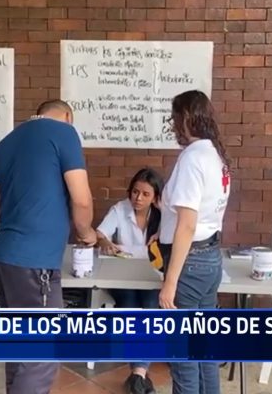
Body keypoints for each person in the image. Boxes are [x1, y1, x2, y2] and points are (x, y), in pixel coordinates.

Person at [0, 99, 96, 394]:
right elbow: (82, 199)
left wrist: (19, 224)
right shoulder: (64, 133)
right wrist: (86, 232)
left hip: (4, 258)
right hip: (35, 263)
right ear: (67, 116)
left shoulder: (4, 144)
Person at [158, 90, 231, 394]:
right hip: (210, 258)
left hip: (189, 265)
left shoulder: (192, 158)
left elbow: (187, 225)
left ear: (186, 118)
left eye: (175, 118)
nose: (173, 124)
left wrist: (170, 283)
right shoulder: (215, 155)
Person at [96, 167, 163, 394]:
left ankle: (137, 374)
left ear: (155, 197)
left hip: (150, 277)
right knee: (130, 306)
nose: (138, 198)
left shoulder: (163, 215)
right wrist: (105, 243)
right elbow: (100, 234)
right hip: (122, 277)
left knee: (151, 306)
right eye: (135, 192)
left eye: (145, 194)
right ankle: (140, 374)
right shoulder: (120, 209)